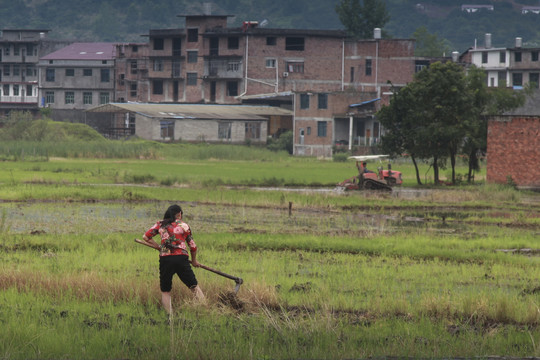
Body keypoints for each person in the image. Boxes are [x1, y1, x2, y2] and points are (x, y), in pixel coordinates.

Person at [141, 204, 204, 315]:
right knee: (194, 285)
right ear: (179, 214)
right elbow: (193, 246)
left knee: (165, 290)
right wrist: (194, 261)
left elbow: (145, 237)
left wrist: (157, 246)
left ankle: (170, 317)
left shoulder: (161, 224)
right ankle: (205, 308)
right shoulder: (184, 225)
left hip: (166, 259)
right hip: (181, 259)